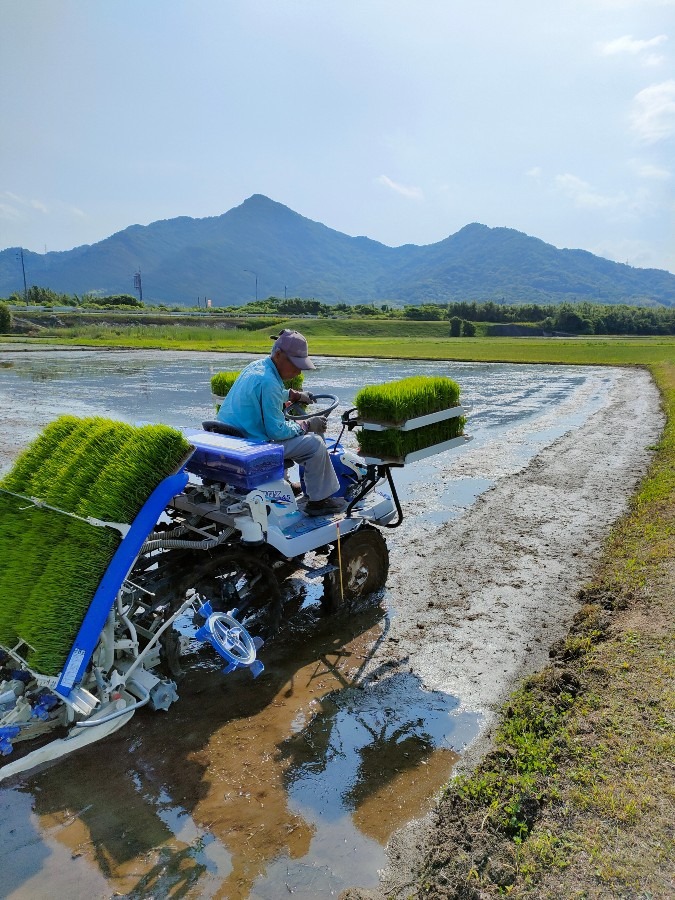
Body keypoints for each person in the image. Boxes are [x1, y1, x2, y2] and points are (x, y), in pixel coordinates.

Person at [215, 329, 345, 516]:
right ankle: (319, 501)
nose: (298, 371)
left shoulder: (256, 367)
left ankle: (286, 486)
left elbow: (265, 395)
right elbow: (277, 431)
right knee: (315, 444)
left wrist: (294, 395)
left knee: (298, 437)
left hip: (236, 440)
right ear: (278, 355)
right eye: (295, 364)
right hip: (254, 446)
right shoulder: (270, 382)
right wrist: (307, 424)